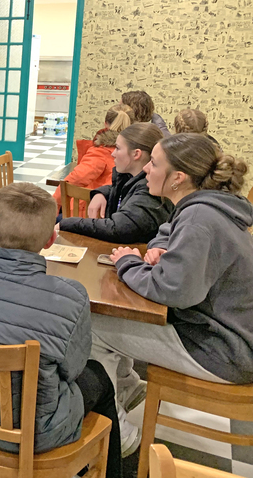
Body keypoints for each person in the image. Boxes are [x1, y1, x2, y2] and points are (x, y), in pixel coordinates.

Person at [0, 182, 122, 477]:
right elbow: (72, 370)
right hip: (35, 433)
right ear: (50, 240)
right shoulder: (70, 296)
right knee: (97, 376)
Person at [94, 133, 253, 455]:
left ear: (178, 178)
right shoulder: (205, 204)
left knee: (91, 326)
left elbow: (170, 290)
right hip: (233, 336)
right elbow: (165, 232)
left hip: (225, 349)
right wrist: (161, 249)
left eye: (153, 163)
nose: (146, 170)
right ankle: (125, 389)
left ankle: (119, 435)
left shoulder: (199, 218)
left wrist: (127, 262)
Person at [58, 123, 172, 244]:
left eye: (117, 148)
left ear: (136, 154)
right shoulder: (129, 177)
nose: (113, 154)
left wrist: (68, 223)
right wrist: (101, 193)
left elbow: (119, 229)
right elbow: (121, 189)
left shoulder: (151, 188)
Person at [54, 104, 134, 212]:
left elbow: (77, 178)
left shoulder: (102, 151)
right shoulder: (137, 152)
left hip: (93, 213)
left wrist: (53, 203)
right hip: (122, 212)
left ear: (105, 124)